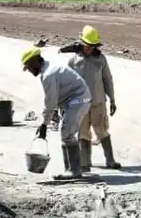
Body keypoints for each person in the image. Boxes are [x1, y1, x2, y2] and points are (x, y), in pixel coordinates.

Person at [21, 46, 91, 181]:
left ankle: (74, 171)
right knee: (65, 132)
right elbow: (54, 100)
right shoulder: (48, 69)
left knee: (67, 133)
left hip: (78, 99)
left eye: (28, 67)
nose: (29, 70)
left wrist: (44, 124)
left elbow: (50, 101)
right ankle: (70, 170)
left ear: (34, 61)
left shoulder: (48, 74)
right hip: (72, 100)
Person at [59, 25, 120, 172]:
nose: (90, 50)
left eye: (92, 47)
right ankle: (85, 163)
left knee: (102, 130)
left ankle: (110, 160)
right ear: (81, 44)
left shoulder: (100, 59)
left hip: (98, 102)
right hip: (80, 104)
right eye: (87, 47)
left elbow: (107, 79)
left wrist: (112, 99)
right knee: (83, 132)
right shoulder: (73, 61)